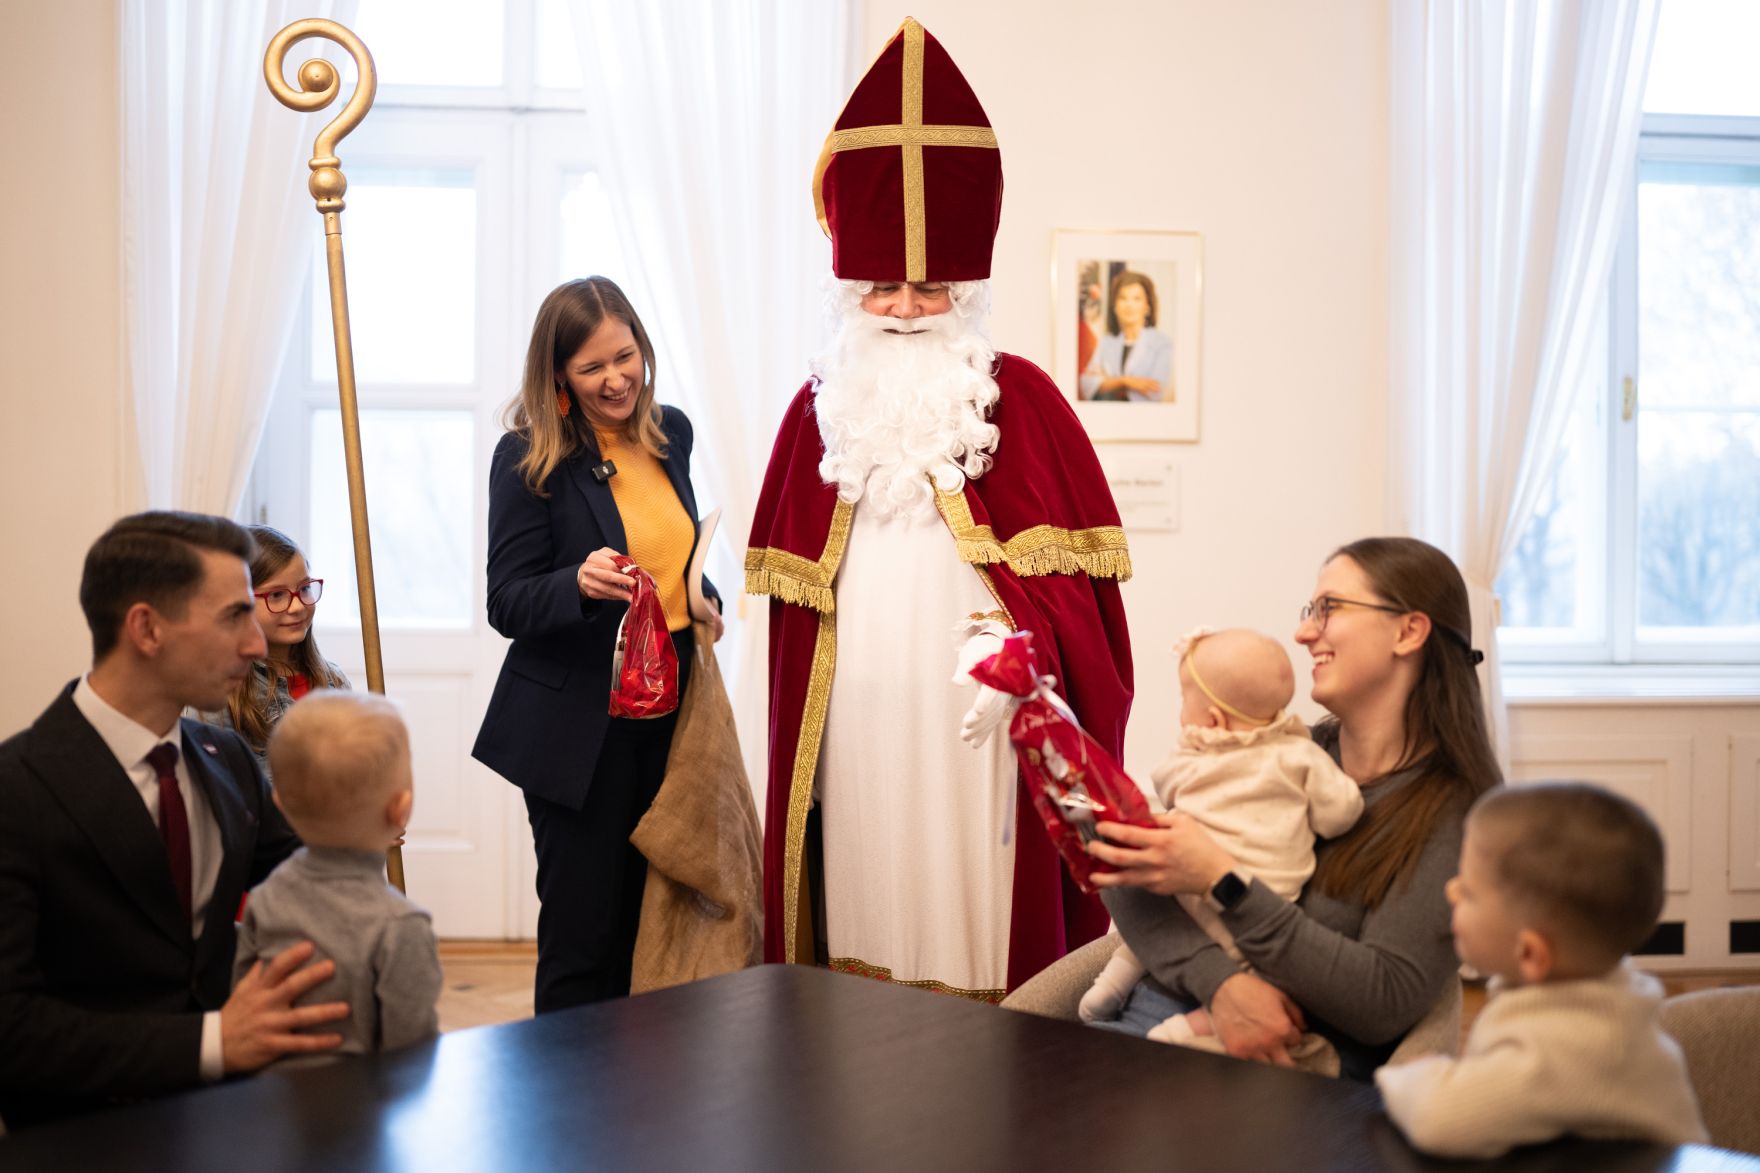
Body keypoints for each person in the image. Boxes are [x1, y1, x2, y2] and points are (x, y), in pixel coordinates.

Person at [749, 17, 1134, 1000]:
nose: (909, 309)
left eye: (930, 287)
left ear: (965, 289)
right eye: (884, 286)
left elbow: (1088, 630)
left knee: (975, 913)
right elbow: (794, 625)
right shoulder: (816, 413)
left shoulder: (1028, 404)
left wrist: (1025, 667)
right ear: (848, 286)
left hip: (983, 734)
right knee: (866, 895)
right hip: (859, 724)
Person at [1090, 536, 1499, 1079]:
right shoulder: (1284, 752)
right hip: (1143, 1019)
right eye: (1310, 611)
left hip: (1271, 1077)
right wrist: (1221, 983)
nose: (1304, 633)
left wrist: (1222, 880)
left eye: (1328, 609)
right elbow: (1123, 866)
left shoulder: (1453, 812)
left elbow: (1384, 1000)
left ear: (1408, 631)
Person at [0, 512, 346, 1129]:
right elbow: (13, 1030)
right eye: (234, 616)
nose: (253, 642)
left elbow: (312, 879)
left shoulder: (227, 760)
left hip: (231, 1121)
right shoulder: (18, 789)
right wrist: (214, 1043)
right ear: (147, 629)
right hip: (85, 1137)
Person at [472, 276, 722, 1013]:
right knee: (586, 938)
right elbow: (506, 600)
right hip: (576, 729)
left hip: (669, 713)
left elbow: (678, 548)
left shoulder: (669, 431)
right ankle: (568, 1111)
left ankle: (636, 1106)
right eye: (592, 367)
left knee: (652, 924)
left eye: (627, 356)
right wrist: (575, 583)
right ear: (558, 377)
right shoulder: (527, 456)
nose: (617, 379)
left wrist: (705, 596)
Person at [1079, 627, 1363, 1074]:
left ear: (1211, 720)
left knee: (1150, 934)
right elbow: (1341, 814)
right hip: (1256, 906)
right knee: (1248, 973)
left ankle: (1107, 990)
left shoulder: (1190, 760)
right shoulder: (1301, 755)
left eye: (1182, 702)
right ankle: (1183, 1030)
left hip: (1184, 892)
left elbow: (1165, 786)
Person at [1376, 781, 1707, 1156]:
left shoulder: (1571, 1047)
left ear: (1531, 955)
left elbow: (1438, 1119)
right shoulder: (1594, 988)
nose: (1450, 891)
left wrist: (1414, 1074)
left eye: (1468, 891)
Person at [235, 690, 440, 1063]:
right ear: (402, 810)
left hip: (268, 1099)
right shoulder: (401, 926)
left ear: (277, 803)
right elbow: (412, 1057)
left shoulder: (266, 896)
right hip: (362, 1109)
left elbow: (244, 998)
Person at [203, 525, 348, 773]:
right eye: (277, 595)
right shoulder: (222, 695)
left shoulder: (333, 681)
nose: (297, 607)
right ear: (240, 601)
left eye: (304, 589)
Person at [1079, 270, 1173, 402]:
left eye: (1136, 299)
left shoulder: (1162, 343)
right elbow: (1087, 384)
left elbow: (1155, 391)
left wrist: (1108, 381)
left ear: (1147, 306)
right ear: (1115, 306)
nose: (1129, 304)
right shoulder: (1106, 342)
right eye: (1123, 298)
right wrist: (1126, 382)